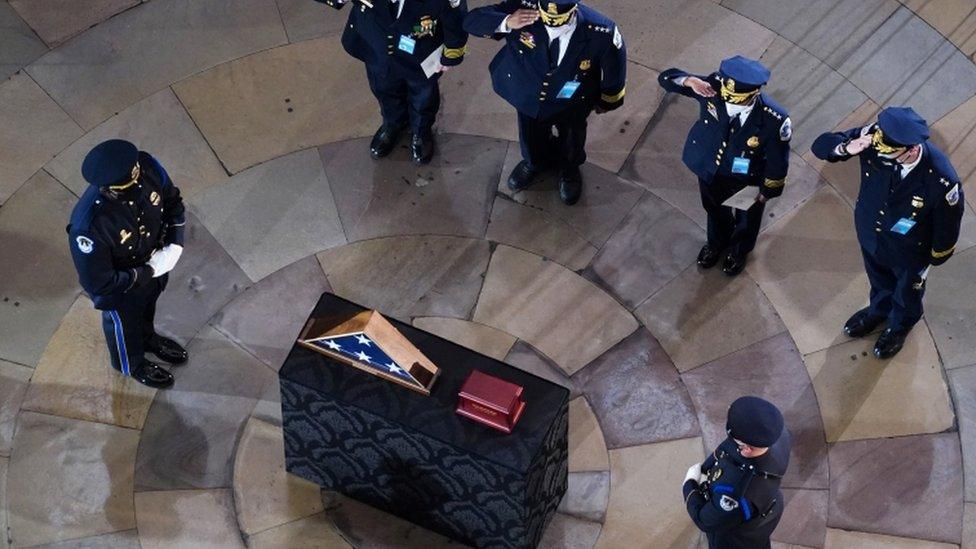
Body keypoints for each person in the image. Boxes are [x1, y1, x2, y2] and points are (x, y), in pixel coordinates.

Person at [811, 107, 964, 358]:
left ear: (912, 150)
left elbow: (948, 222)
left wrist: (936, 255)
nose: (880, 154)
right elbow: (822, 145)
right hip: (871, 231)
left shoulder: (940, 179)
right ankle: (878, 310)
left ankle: (899, 325)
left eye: (891, 154)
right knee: (878, 277)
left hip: (910, 248)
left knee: (906, 290)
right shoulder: (875, 137)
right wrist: (846, 148)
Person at [463, 0, 627, 205]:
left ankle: (569, 170)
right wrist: (507, 22)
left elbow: (615, 70)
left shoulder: (601, 31)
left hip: (572, 101)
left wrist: (608, 100)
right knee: (530, 135)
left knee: (572, 138)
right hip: (529, 95)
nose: (550, 23)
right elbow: (471, 21)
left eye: (556, 20)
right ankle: (534, 163)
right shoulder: (523, 8)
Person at [67, 140, 188, 389]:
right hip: (123, 284)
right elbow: (99, 283)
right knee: (124, 322)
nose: (139, 185)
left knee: (148, 306)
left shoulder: (149, 166)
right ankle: (130, 362)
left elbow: (173, 202)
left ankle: (147, 338)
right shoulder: (89, 226)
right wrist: (149, 270)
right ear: (111, 189)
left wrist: (174, 244)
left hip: (153, 264)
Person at [658, 56, 791, 275]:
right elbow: (666, 79)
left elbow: (778, 159)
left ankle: (738, 250)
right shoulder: (713, 90)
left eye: (734, 99)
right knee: (714, 209)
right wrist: (689, 80)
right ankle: (716, 243)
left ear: (752, 94)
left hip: (747, 177)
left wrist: (769, 190)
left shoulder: (774, 119)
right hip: (711, 169)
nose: (727, 101)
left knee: (747, 218)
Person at [318, 0, 469, 164]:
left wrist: (451, 53)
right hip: (376, 45)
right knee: (383, 89)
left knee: (423, 96)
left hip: (421, 50)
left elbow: (456, 17)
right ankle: (393, 124)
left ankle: (421, 130)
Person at [683, 396, 791, 549]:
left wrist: (690, 485)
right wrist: (706, 467)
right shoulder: (776, 435)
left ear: (746, 449)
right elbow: (727, 448)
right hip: (767, 509)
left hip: (737, 539)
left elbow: (705, 520)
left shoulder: (737, 492)